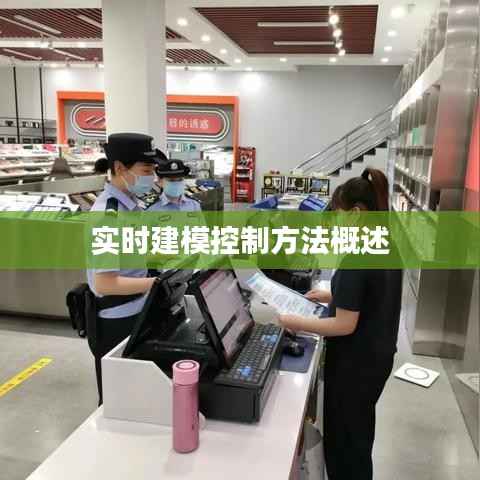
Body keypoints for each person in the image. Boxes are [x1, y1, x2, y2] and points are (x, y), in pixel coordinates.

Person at [278, 167, 402, 480]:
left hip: (355, 365)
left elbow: (345, 325)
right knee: (358, 437)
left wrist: (296, 321)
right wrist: (333, 294)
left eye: (339, 214)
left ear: (356, 213)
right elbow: (374, 294)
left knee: (345, 445)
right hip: (376, 358)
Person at [88, 132, 166, 404]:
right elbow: (105, 283)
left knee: (136, 396)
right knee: (118, 400)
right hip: (117, 320)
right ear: (120, 168)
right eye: (146, 171)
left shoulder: (130, 206)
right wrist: (158, 284)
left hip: (138, 310)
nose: (152, 178)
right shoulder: (107, 217)